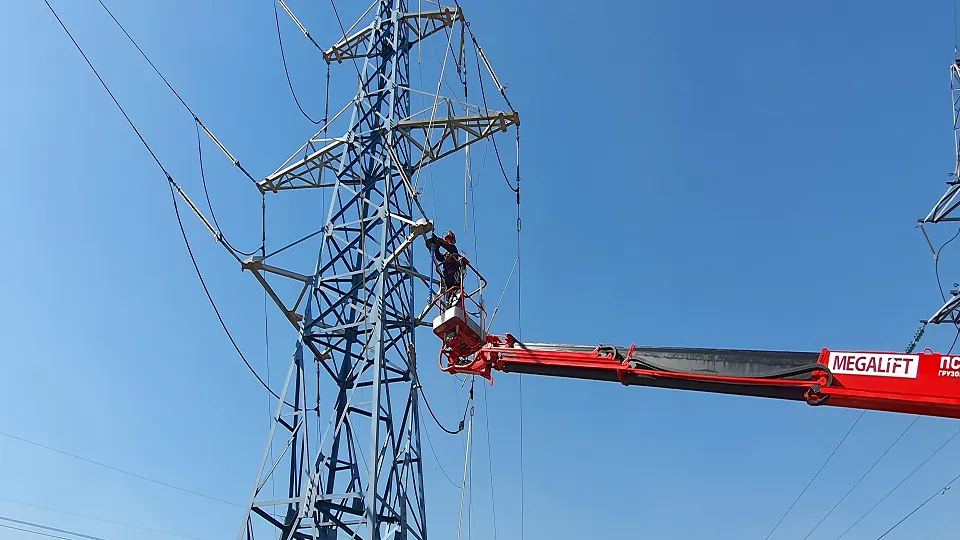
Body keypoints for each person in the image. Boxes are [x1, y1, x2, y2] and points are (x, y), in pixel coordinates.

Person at [425, 230, 465, 308]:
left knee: (456, 292)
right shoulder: (446, 255)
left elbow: (448, 246)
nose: (449, 241)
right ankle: (450, 306)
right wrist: (436, 248)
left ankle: (458, 306)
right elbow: (439, 257)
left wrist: (438, 240)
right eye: (448, 239)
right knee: (448, 295)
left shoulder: (454, 250)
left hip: (454, 276)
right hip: (447, 277)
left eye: (451, 239)